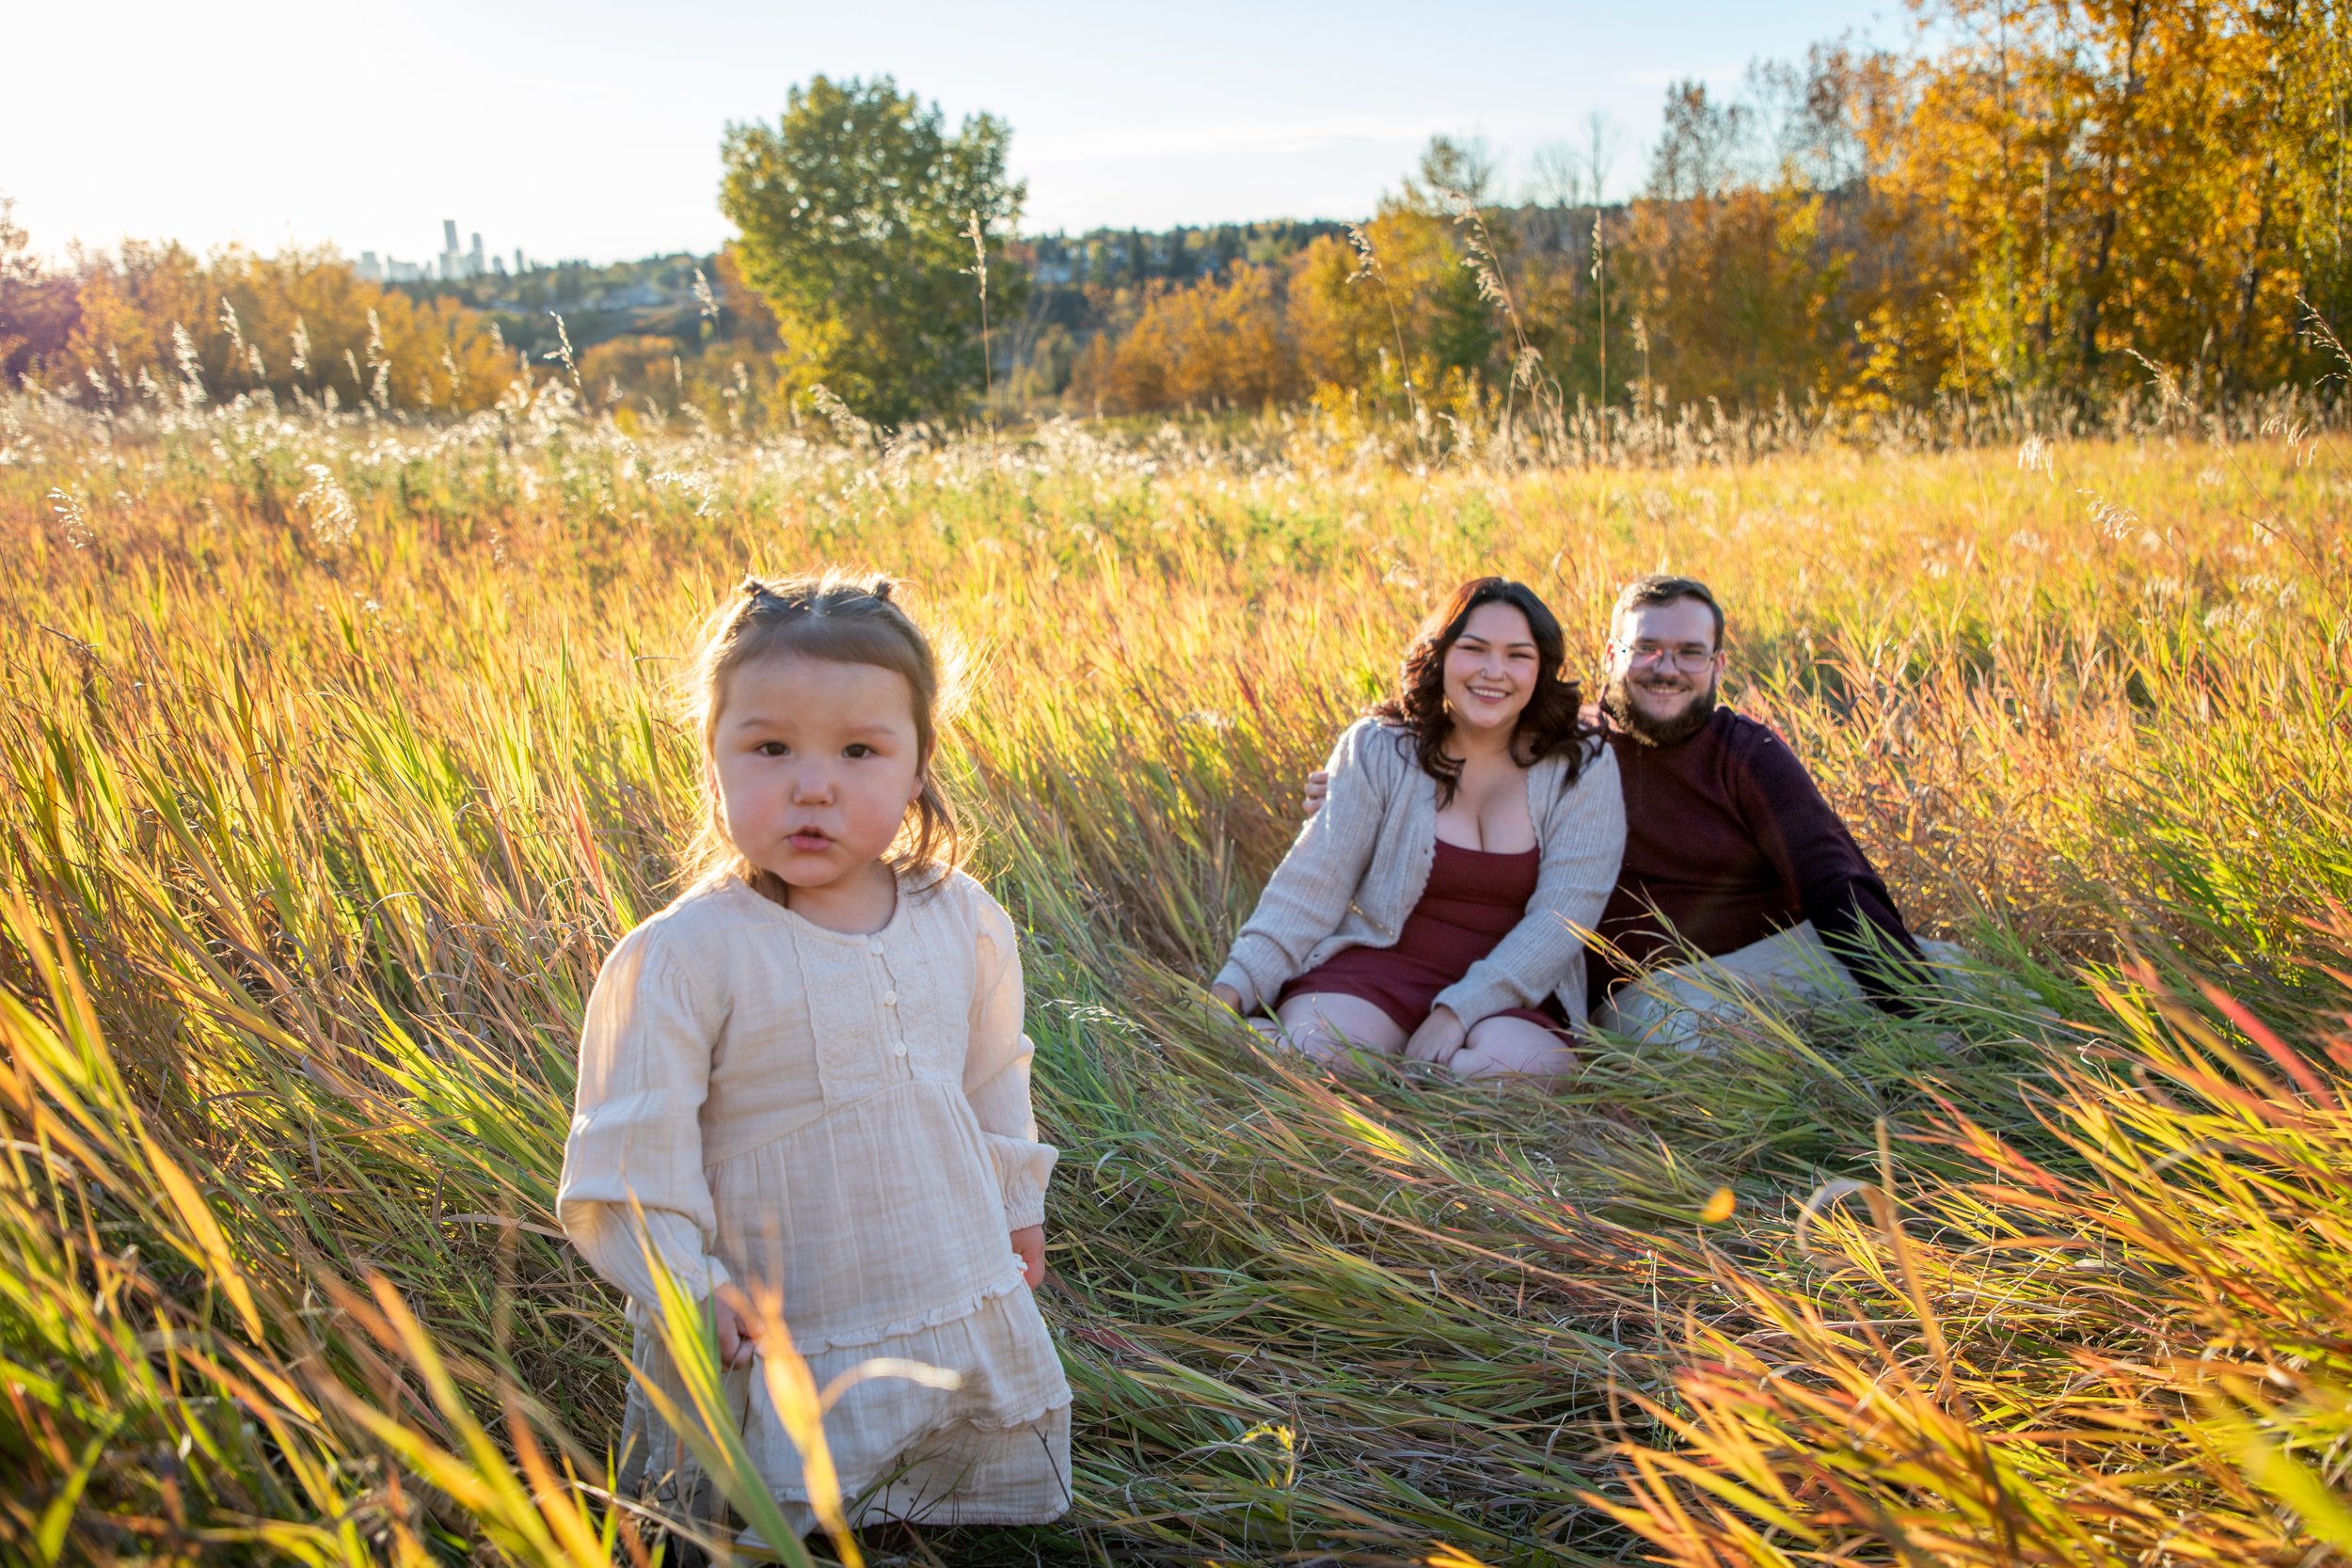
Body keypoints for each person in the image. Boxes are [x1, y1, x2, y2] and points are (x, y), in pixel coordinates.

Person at [557, 573, 1070, 1541]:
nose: (813, 784)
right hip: (772, 1315)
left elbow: (994, 1075)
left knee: (929, 1489)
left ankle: (928, 1515)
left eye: (859, 750)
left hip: (936, 1261)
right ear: (712, 763)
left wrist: (1016, 1203)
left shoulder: (961, 919)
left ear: (918, 767)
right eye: (769, 747)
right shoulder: (685, 953)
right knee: (777, 1513)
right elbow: (629, 1153)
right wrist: (686, 1282)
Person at [1307, 575, 1937, 1048]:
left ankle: (1932, 1065)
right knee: (1696, 1035)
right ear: (1611, 656)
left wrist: (1915, 1005)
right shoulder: (1560, 750)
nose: (1668, 669)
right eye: (1648, 649)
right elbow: (1441, 735)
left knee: (1981, 998)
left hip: (1780, 959)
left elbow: (1834, 879)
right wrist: (1353, 791)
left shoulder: (1747, 753)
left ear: (1717, 665)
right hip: (1649, 991)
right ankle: (1855, 1087)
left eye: (1690, 652)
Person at [1211, 578, 1627, 1084]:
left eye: (1518, 655)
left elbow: (1563, 919)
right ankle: (1297, 1049)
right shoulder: (1379, 749)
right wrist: (1233, 987)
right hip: (1379, 971)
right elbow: (1310, 887)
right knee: (1321, 1057)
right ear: (1440, 656)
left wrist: (1457, 1011)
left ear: (1541, 670)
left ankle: (1404, 1082)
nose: (1493, 672)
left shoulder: (1580, 766)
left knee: (1519, 1073)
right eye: (1473, 649)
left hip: (1515, 990)